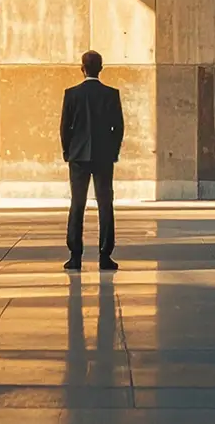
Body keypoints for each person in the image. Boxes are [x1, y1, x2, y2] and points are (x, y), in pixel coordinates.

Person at [60, 50, 123, 271]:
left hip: (78, 156)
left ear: (82, 68)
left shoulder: (72, 94)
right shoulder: (111, 94)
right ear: (101, 68)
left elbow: (65, 128)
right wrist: (112, 151)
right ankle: (105, 255)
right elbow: (118, 127)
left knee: (77, 204)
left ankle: (75, 256)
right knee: (105, 204)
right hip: (103, 156)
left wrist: (68, 152)